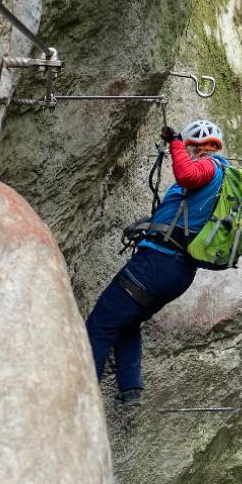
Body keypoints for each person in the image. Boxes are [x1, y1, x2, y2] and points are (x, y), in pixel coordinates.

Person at [86, 119, 229, 405]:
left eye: (188, 148)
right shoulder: (217, 185)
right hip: (177, 272)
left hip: (157, 265)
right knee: (127, 321)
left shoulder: (210, 166)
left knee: (100, 324)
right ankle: (131, 390)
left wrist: (174, 142)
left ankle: (80, 398)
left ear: (196, 147)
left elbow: (187, 174)